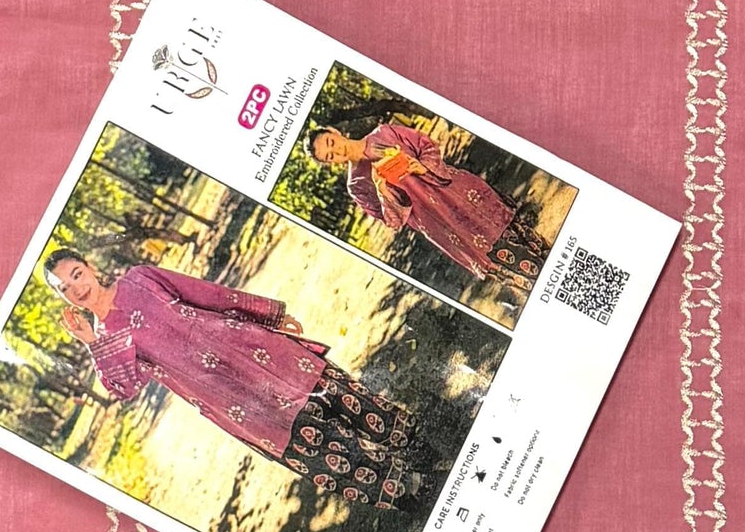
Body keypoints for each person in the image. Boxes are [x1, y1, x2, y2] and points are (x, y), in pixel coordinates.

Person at [42, 249, 423, 510]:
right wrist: (93, 344)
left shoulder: (139, 279)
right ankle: (410, 492)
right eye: (65, 288)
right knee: (320, 447)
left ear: (89, 266)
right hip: (234, 400)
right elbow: (123, 388)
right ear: (62, 298)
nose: (77, 288)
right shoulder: (104, 338)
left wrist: (268, 315)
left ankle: (424, 451)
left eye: (77, 274)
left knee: (346, 400)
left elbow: (206, 294)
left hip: (257, 351)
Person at [308, 114, 550, 289]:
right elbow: (393, 222)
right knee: (509, 264)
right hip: (442, 224)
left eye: (330, 143)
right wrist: (383, 192)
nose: (336, 151)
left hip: (458, 193)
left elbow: (427, 145)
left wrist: (421, 166)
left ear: (335, 133)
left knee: (520, 235)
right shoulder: (357, 185)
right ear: (331, 163)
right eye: (329, 156)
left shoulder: (384, 133)